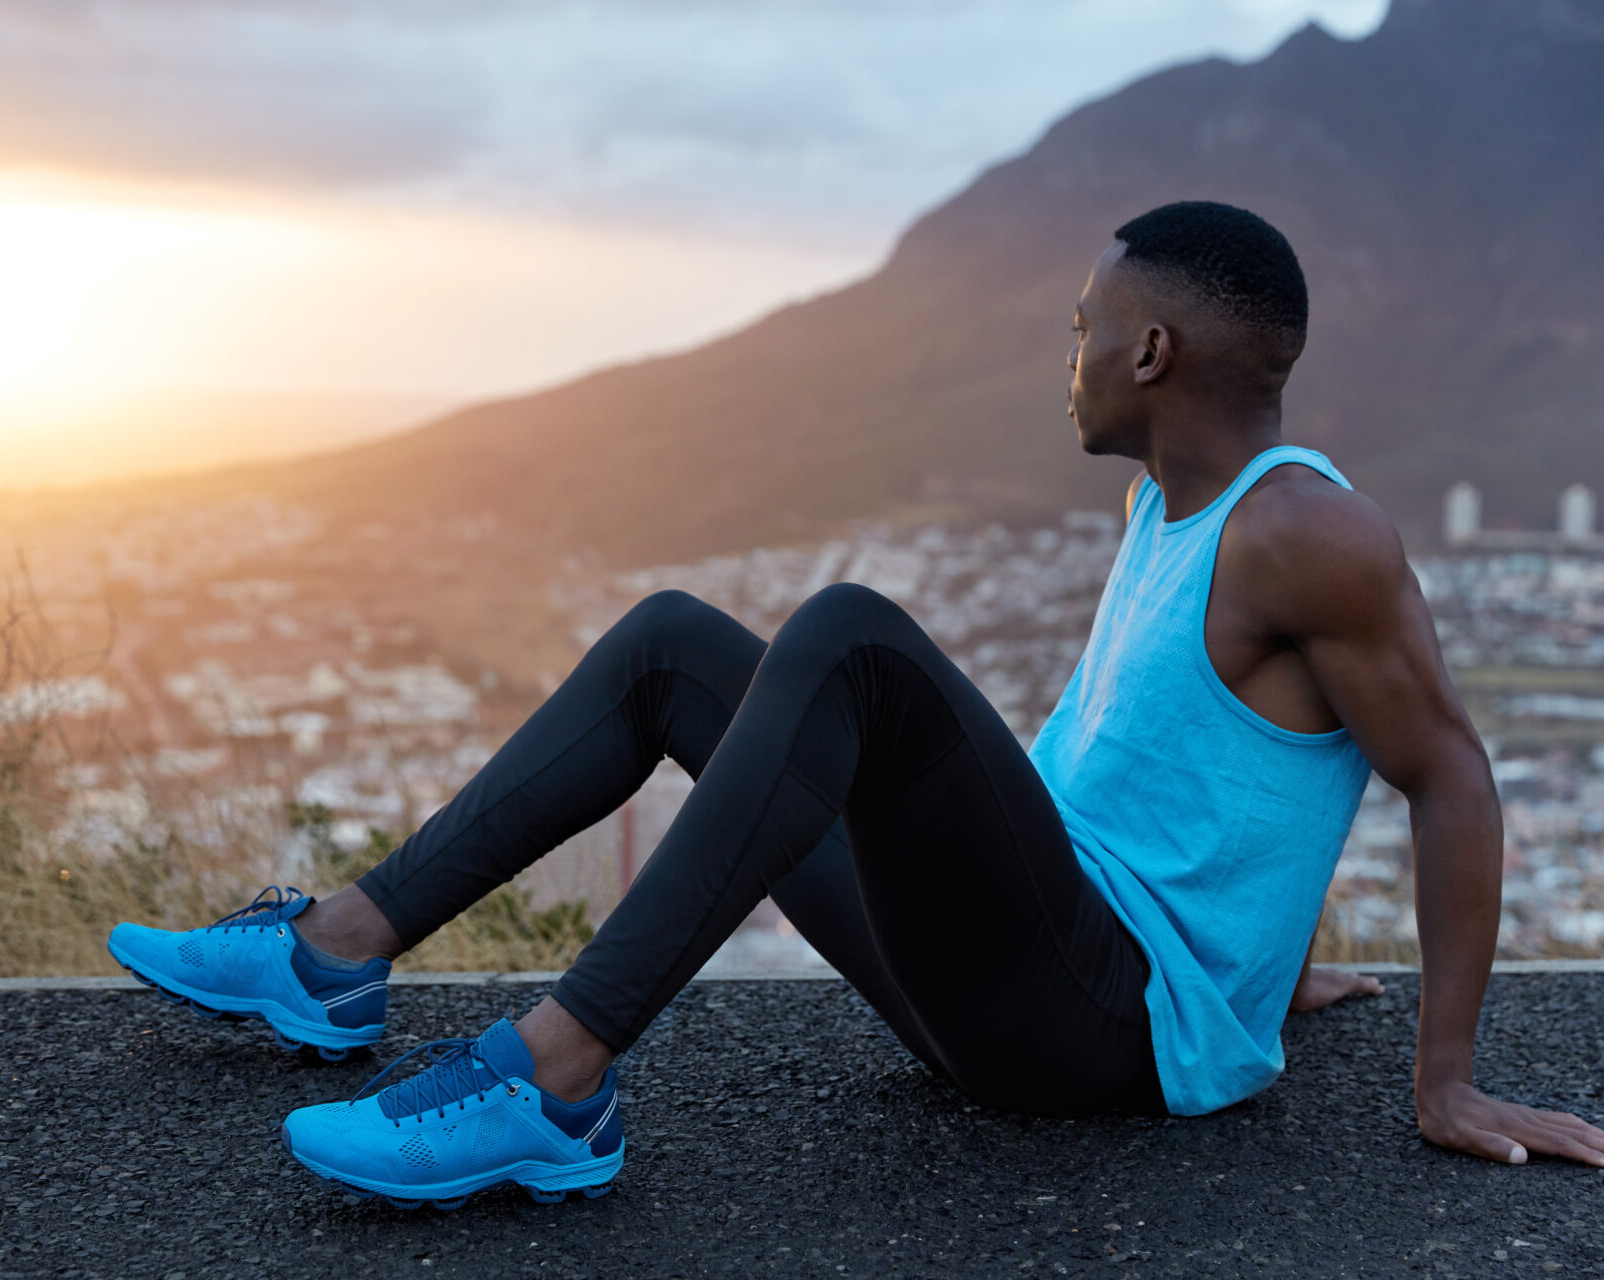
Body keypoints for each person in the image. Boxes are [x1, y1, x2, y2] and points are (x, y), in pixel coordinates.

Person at [107, 201, 1604, 1209]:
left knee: (854, 641)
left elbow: (1451, 774)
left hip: (1104, 1035)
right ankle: (334, 955)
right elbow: (1226, 773)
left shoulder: (1309, 535)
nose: (1066, 357)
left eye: (1086, 324)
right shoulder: (1172, 501)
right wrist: (1265, 956)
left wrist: (1447, 1077)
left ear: (1153, 352)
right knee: (677, 643)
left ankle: (552, 1081)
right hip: (1040, 972)